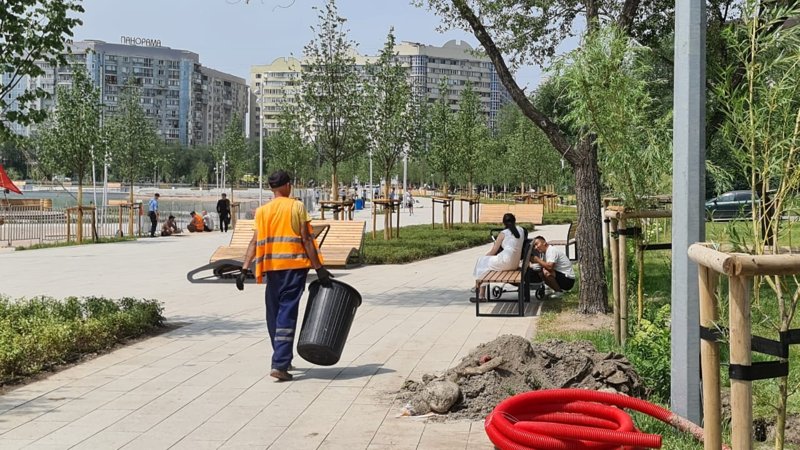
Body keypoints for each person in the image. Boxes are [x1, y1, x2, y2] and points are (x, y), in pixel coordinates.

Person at [239, 170, 332, 382]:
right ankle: (280, 364)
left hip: (271, 268)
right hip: (293, 267)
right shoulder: (296, 206)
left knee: (273, 313)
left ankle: (281, 356)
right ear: (288, 185)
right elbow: (306, 239)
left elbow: (254, 242)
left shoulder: (262, 211)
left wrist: (244, 269)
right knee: (286, 313)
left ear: (271, 188)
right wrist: (319, 268)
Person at [471, 213, 525, 302]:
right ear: (515, 221)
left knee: (481, 261)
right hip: (515, 264)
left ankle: (480, 292)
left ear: (504, 223)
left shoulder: (503, 234)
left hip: (505, 261)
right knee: (484, 263)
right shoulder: (521, 230)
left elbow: (493, 251)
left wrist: (485, 257)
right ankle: (479, 289)